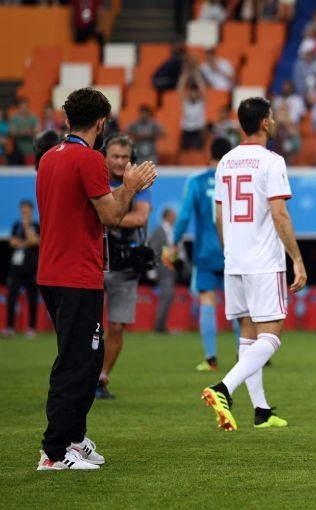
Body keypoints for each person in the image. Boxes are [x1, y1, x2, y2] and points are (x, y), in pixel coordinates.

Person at [35, 87, 156, 470]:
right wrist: (130, 187)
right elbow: (111, 216)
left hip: (52, 270)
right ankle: (54, 453)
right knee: (76, 363)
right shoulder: (89, 159)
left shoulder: (49, 157)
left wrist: (123, 190)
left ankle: (74, 438)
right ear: (102, 122)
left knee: (88, 358)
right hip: (77, 274)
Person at [201, 97, 307, 431]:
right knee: (271, 336)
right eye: (271, 117)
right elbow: (279, 213)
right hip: (264, 261)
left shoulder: (225, 162)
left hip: (235, 260)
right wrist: (297, 259)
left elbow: (219, 216)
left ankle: (261, 410)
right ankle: (223, 388)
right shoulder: (271, 161)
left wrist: (229, 252)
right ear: (264, 123)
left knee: (248, 335)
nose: (273, 122)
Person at [166, 137, 234, 371]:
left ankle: (211, 358)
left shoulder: (196, 181)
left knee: (207, 301)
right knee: (238, 306)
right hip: (233, 252)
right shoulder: (235, 179)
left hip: (205, 253)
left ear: (209, 154)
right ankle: (244, 356)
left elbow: (184, 215)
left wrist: (174, 243)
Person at [97, 134, 153, 400]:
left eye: (125, 157)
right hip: (94, 263)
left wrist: (107, 216)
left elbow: (140, 217)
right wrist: (118, 216)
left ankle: (101, 377)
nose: (120, 162)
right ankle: (82, 376)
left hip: (125, 265)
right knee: (88, 326)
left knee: (117, 326)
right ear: (105, 158)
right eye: (115, 157)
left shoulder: (140, 183)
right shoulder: (96, 178)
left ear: (132, 159)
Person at [2, 200, 40, 338]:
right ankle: (10, 327)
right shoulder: (16, 225)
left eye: (27, 210)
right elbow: (13, 242)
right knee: (12, 296)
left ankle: (31, 327)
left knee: (32, 297)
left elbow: (36, 241)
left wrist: (26, 227)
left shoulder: (36, 225)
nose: (24, 213)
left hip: (31, 268)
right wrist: (27, 242)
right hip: (16, 268)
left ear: (31, 211)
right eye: (22, 211)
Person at [148, 208, 177, 333]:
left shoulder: (170, 230)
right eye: (173, 215)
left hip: (169, 268)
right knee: (166, 296)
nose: (175, 218)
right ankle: (159, 326)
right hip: (162, 269)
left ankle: (161, 325)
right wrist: (152, 269)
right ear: (167, 216)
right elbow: (153, 249)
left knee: (168, 296)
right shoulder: (159, 231)